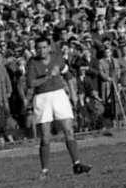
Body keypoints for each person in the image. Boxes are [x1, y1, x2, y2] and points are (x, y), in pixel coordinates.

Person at [25, 35, 91, 179]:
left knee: (69, 129)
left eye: (44, 47)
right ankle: (45, 170)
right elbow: (31, 83)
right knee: (45, 136)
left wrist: (73, 93)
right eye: (39, 48)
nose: (42, 51)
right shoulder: (32, 63)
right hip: (42, 97)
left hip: (59, 94)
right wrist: (48, 76)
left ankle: (77, 164)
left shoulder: (57, 58)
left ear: (49, 48)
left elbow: (67, 74)